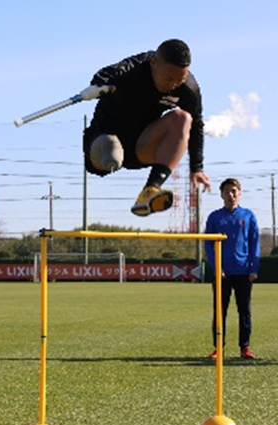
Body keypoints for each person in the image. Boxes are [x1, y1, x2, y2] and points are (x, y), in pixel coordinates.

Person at [81, 38, 211, 217]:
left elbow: (196, 125)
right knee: (113, 153)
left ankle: (150, 190)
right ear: (153, 63)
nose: (173, 85)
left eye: (179, 80)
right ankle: (109, 153)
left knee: (183, 118)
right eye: (168, 78)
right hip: (104, 139)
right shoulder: (133, 68)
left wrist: (197, 168)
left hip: (141, 144)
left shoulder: (188, 89)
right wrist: (100, 85)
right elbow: (103, 74)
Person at [204, 178, 261, 360]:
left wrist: (253, 268)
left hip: (244, 272)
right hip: (223, 273)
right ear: (221, 194)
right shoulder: (215, 217)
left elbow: (254, 244)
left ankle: (245, 347)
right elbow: (208, 245)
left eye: (234, 191)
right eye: (227, 191)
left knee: (244, 311)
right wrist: (217, 267)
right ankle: (218, 347)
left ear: (240, 193)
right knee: (220, 311)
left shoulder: (248, 216)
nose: (231, 194)